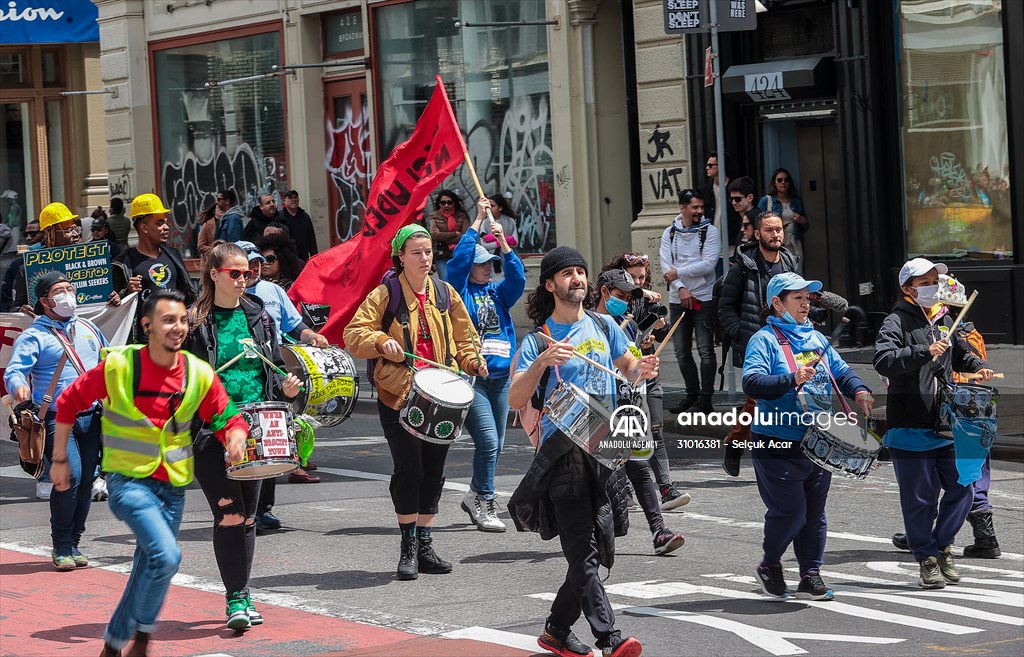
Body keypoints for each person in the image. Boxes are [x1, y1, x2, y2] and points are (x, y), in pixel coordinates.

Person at [50, 289, 248, 657]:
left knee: (150, 565)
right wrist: (60, 459)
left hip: (172, 487)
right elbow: (68, 403)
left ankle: (112, 644)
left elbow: (226, 416)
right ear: (148, 326)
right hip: (129, 483)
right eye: (168, 320)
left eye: (183, 321)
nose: (178, 327)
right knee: (167, 557)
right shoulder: (119, 366)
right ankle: (141, 635)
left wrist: (235, 436)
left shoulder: (197, 371)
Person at [507, 246, 654, 657]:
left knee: (599, 548)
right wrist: (540, 364)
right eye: (568, 273)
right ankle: (611, 639)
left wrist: (644, 367)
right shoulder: (540, 339)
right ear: (550, 284)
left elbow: (629, 366)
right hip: (562, 455)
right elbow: (515, 398)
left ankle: (556, 630)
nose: (577, 279)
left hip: (604, 448)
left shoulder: (605, 326)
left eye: (581, 272)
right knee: (583, 552)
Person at [344, 224, 484, 581]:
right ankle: (407, 545)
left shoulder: (444, 292)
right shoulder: (385, 293)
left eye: (428, 252)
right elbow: (353, 335)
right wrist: (379, 341)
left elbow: (465, 337)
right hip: (399, 395)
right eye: (417, 252)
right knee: (410, 471)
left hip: (441, 395)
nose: (425, 258)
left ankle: (425, 544)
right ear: (401, 257)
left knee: (434, 473)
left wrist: (472, 361)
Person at [186, 241, 303, 629]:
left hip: (255, 427)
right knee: (230, 515)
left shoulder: (259, 316)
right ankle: (235, 599)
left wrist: (285, 388)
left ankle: (244, 591)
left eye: (247, 273)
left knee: (249, 517)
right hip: (212, 430)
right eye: (234, 273)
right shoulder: (195, 323)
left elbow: (267, 370)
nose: (243, 279)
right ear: (214, 274)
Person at [744, 272, 873, 601]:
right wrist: (792, 377)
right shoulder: (764, 340)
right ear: (777, 303)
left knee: (815, 513)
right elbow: (752, 383)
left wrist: (859, 390)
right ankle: (769, 564)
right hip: (776, 440)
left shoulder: (816, 338)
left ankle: (810, 574)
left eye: (807, 298)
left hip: (817, 440)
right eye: (798, 298)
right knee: (791, 512)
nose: (806, 304)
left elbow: (842, 371)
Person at [873, 258, 992, 589]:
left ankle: (942, 545)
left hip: (948, 420)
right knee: (920, 498)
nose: (933, 287)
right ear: (908, 289)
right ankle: (926, 556)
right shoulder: (895, 321)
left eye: (934, 280)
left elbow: (959, 354)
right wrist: (923, 351)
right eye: (925, 282)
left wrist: (977, 364)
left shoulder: (943, 316)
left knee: (963, 487)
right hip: (910, 423)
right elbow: (883, 361)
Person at [4, 272, 107, 570]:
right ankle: (61, 544)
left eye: (70, 289)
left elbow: (110, 360)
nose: (67, 295)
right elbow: (14, 372)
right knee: (69, 477)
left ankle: (74, 541)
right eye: (60, 291)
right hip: (56, 421)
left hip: (92, 417)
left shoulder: (88, 327)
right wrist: (19, 389)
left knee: (88, 479)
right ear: (45, 301)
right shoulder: (34, 335)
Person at [233, 240, 327, 532]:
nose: (255, 268)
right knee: (247, 444)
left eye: (259, 262)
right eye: (249, 264)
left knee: (273, 440)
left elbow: (294, 324)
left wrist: (311, 336)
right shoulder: (230, 294)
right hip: (240, 376)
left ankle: (265, 509)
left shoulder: (273, 291)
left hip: (273, 371)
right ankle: (243, 509)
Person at [445, 199, 527, 532]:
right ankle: (485, 502)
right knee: (489, 442)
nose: (487, 268)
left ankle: (474, 494)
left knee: (498, 444)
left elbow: (518, 279)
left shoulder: (498, 292)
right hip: (471, 378)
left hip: (500, 378)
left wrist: (504, 245)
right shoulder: (459, 291)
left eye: (490, 264)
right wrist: (478, 222)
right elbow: (457, 264)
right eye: (482, 264)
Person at [594, 268, 687, 556]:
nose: (625, 302)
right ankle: (590, 536)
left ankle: (659, 531)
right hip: (601, 410)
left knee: (639, 468)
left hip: (631, 406)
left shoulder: (629, 325)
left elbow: (635, 364)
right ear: (604, 292)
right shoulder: (590, 325)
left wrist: (646, 361)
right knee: (598, 475)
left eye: (628, 297)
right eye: (620, 296)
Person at [717, 212, 798, 476]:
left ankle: (738, 442)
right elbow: (726, 308)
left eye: (779, 230)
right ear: (757, 234)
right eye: (769, 230)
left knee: (768, 397)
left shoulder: (789, 261)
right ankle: (744, 445)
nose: (775, 235)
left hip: (785, 338)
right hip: (756, 340)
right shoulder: (743, 266)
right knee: (760, 395)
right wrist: (742, 334)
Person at [660, 189, 720, 415]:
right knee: (681, 351)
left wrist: (679, 273)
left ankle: (706, 399)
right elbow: (666, 268)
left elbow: (708, 264)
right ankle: (691, 395)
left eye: (701, 207)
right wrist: (681, 287)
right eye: (694, 207)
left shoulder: (710, 232)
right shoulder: (670, 233)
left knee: (706, 350)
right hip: (678, 299)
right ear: (682, 207)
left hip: (704, 298)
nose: (699, 211)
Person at [116, 194, 198, 343]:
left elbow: (188, 292)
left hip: (175, 336)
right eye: (160, 223)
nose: (166, 227)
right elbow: (112, 304)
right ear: (144, 227)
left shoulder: (173, 255)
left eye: (166, 223)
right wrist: (127, 292)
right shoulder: (123, 263)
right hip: (144, 341)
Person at [2, 203, 84, 313]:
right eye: (69, 230)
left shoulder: (87, 260)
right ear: (51, 233)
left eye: (76, 229)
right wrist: (20, 310)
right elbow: (11, 307)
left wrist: (112, 298)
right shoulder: (27, 266)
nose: (76, 234)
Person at [757, 169, 808, 274]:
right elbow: (757, 222)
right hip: (775, 242)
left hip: (794, 244)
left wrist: (802, 220)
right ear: (774, 183)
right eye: (779, 180)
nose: (783, 183)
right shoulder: (766, 201)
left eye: (786, 180)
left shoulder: (796, 201)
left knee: (796, 273)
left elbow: (805, 227)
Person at [698, 151, 740, 248]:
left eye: (710, 165)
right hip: (710, 243)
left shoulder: (734, 188)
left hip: (731, 243)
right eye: (707, 165)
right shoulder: (704, 190)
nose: (707, 167)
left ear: (721, 166)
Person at [427, 190, 470, 279]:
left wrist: (443, 239)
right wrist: (455, 233)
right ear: (439, 204)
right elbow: (434, 236)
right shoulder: (434, 216)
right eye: (443, 203)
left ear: (454, 203)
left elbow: (464, 236)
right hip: (442, 254)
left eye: (449, 203)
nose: (446, 205)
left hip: (459, 253)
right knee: (445, 281)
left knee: (461, 280)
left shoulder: (462, 216)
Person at [278, 189, 318, 261]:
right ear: (285, 201)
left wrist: (315, 257)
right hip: (287, 258)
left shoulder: (305, 216)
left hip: (303, 256)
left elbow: (311, 239)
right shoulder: (279, 218)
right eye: (290, 198)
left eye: (295, 197)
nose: (293, 200)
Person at [477, 194, 520, 260]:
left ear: (500, 208)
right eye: (488, 206)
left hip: (508, 257)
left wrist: (494, 239)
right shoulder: (484, 222)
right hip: (491, 257)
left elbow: (515, 243)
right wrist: (501, 242)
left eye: (493, 206)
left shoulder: (510, 221)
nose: (490, 208)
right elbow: (484, 244)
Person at [727, 177, 758, 261]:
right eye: (731, 199)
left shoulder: (758, 219)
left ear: (750, 198)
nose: (733, 202)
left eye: (737, 199)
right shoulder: (738, 219)